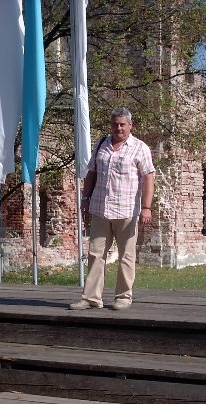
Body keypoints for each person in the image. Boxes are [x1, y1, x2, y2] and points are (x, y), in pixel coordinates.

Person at [69, 107, 155, 311]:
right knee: (95, 254)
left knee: (127, 255)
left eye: (122, 124)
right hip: (100, 208)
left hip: (126, 210)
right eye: (115, 124)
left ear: (130, 125)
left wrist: (146, 207)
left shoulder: (140, 148)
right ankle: (91, 298)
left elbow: (149, 177)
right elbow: (92, 172)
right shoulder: (102, 145)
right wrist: (85, 198)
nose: (119, 128)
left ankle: (123, 296)